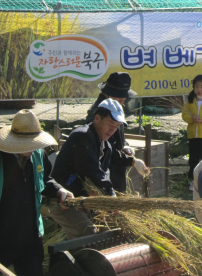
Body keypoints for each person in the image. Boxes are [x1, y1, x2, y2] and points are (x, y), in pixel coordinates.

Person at [50, 100, 147, 238]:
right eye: (110, 125)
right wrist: (111, 197)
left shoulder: (103, 142)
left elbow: (114, 154)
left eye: (116, 127)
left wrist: (134, 161)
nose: (112, 130)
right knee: (88, 234)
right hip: (64, 200)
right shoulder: (82, 137)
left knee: (106, 229)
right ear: (97, 118)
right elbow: (94, 172)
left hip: (84, 200)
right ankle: (69, 259)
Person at [0, 110, 73, 276]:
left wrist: (59, 189)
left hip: (30, 236)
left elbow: (44, 179)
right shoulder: (2, 158)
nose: (31, 147)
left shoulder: (39, 156)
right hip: (3, 235)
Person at [85, 72, 138, 193]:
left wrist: (125, 145)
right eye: (119, 99)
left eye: (123, 99)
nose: (121, 103)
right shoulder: (96, 115)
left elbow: (118, 136)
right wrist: (131, 161)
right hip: (103, 170)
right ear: (106, 94)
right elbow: (103, 147)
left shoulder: (117, 106)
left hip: (117, 167)